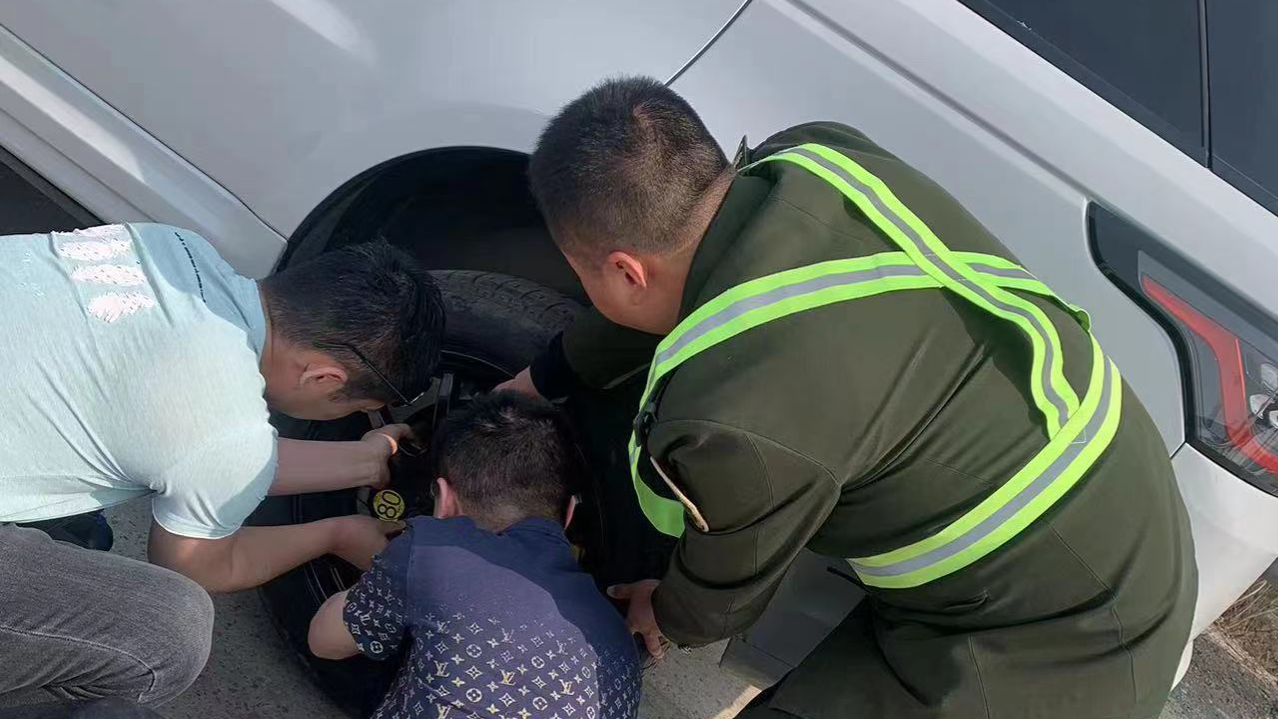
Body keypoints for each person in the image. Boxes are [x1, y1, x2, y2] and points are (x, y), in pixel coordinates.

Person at [498, 78, 1197, 719]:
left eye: (583, 274)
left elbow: (722, 592)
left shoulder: (735, 419)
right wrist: (543, 379)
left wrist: (661, 612)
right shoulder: (815, 157)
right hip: (1110, 489)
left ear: (625, 271)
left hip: (1070, 634)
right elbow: (688, 299)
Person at [0, 223, 444, 707]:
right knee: (168, 632)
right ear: (323, 378)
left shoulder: (171, 245)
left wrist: (365, 461)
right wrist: (336, 534)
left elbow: (197, 452)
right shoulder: (225, 431)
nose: (350, 417)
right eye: (355, 408)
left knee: (82, 529)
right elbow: (201, 564)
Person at [308, 391, 642, 719]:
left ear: (444, 500)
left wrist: (381, 560)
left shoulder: (431, 556)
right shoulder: (620, 644)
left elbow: (323, 640)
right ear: (568, 513)